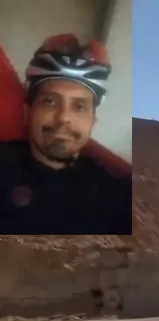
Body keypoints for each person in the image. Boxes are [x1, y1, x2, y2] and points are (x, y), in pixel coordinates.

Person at [0, 34, 131, 235]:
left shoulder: (120, 198)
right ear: (27, 113)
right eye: (49, 102)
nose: (63, 118)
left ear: (93, 121)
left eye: (79, 106)